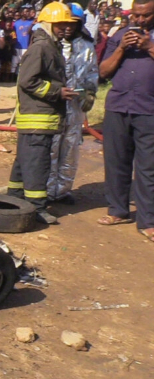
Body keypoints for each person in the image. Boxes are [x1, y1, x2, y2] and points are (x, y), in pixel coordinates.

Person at [7, 2, 79, 225]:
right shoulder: (41, 47)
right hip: (38, 118)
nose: (64, 28)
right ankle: (36, 208)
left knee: (26, 161)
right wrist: (58, 92)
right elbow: (28, 81)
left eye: (67, 24)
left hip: (39, 119)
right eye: (59, 24)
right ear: (48, 24)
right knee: (37, 164)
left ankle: (15, 198)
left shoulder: (49, 45)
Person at [97, 0, 154, 241]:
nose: (140, 21)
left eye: (146, 16)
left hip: (149, 110)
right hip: (118, 107)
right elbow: (104, 72)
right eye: (136, 16)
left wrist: (150, 46)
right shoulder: (119, 35)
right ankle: (118, 210)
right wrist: (121, 48)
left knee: (148, 167)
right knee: (116, 161)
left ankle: (148, 220)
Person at [47, 3, 99, 204]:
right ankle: (46, 190)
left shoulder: (87, 46)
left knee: (70, 148)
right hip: (54, 105)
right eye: (64, 23)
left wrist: (91, 92)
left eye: (73, 24)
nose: (68, 28)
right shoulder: (50, 44)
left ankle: (62, 190)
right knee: (52, 147)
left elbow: (92, 71)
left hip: (76, 107)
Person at [12, 6, 33, 75]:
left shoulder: (31, 22)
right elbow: (13, 33)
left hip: (26, 46)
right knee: (14, 63)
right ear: (21, 13)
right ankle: (12, 78)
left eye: (28, 11)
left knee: (24, 63)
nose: (27, 13)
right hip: (17, 46)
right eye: (25, 11)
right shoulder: (16, 23)